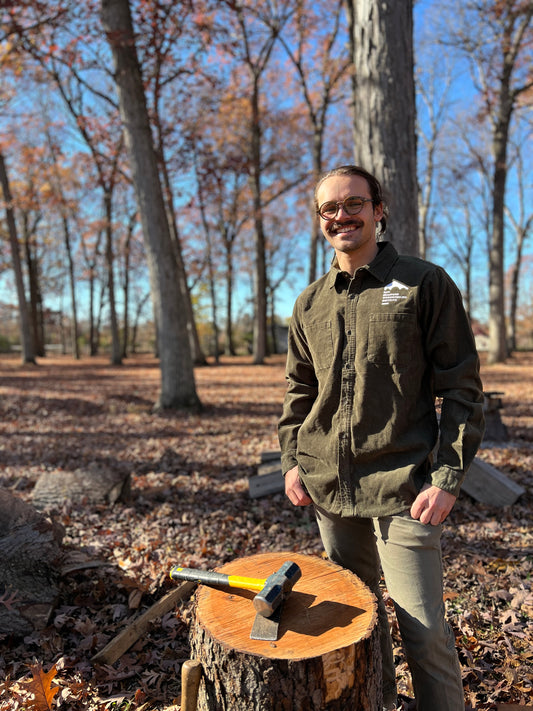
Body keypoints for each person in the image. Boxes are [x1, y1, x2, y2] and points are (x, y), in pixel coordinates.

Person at [278, 165, 485, 711]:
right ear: (320, 219)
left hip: (406, 488)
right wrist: (292, 461)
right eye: (330, 208)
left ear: (378, 210)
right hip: (331, 489)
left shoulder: (423, 282)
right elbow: (299, 392)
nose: (341, 216)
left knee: (424, 632)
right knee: (358, 628)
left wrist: (447, 476)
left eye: (353, 204)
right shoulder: (309, 303)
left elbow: (462, 389)